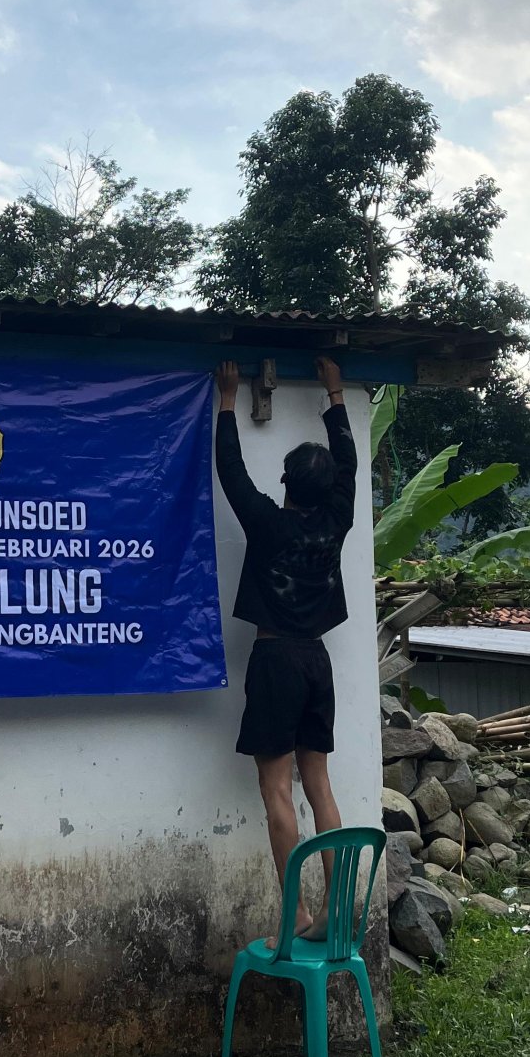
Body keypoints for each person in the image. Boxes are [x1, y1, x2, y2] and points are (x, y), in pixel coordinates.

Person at [214, 354, 356, 941]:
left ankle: (296, 914)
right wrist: (335, 394)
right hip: (317, 661)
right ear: (328, 489)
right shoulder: (338, 520)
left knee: (276, 790)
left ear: (286, 484)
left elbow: (231, 473)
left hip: (275, 661)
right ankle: (335, 909)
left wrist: (227, 400)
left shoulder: (269, 525)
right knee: (318, 786)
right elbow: (348, 464)